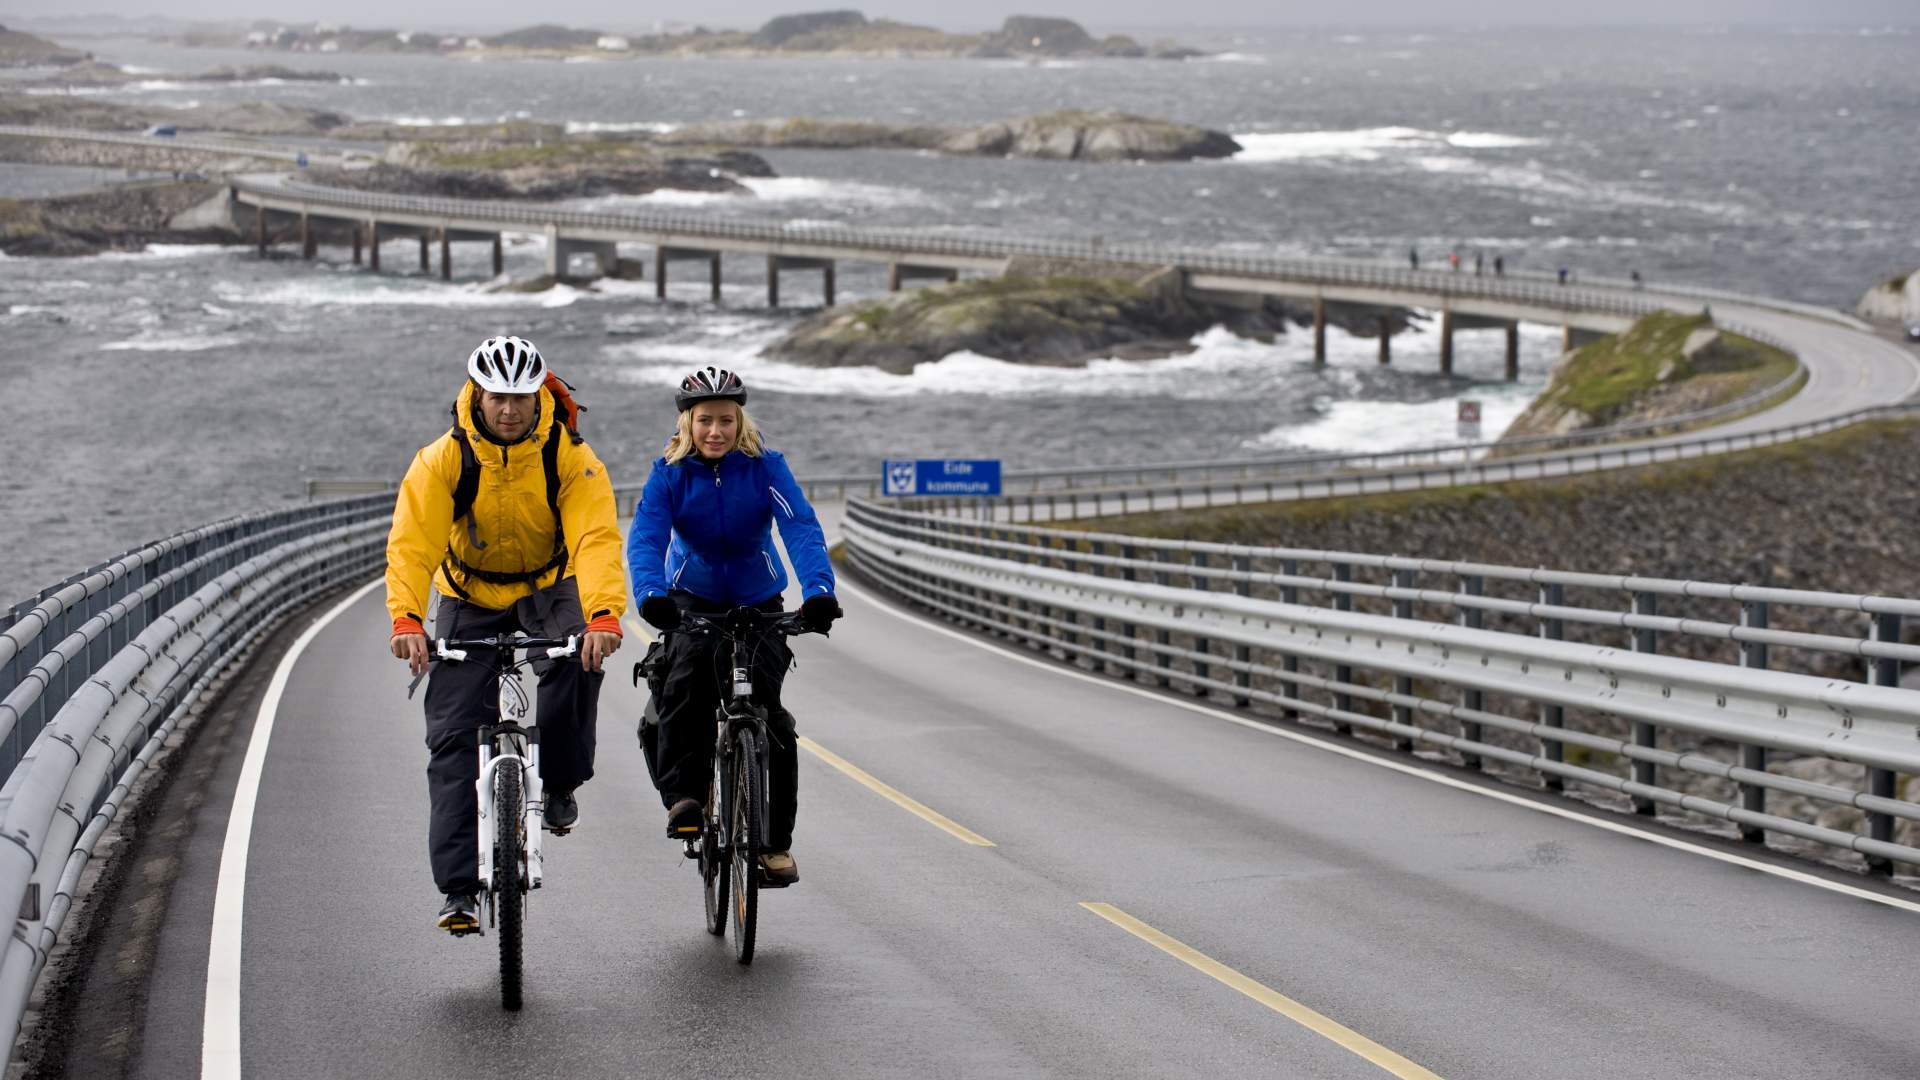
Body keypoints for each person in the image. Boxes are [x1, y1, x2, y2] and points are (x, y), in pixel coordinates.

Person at [386, 335, 626, 933]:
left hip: (550, 586)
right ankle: (460, 892)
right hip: (469, 594)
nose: (510, 410)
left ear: (537, 395)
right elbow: (413, 545)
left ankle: (563, 782)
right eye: (498, 398)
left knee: (577, 663)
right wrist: (408, 618)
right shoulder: (442, 459)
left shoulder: (570, 456)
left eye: (520, 397)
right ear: (478, 396)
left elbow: (595, 538)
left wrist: (602, 615)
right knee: (451, 739)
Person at [628, 366, 841, 887]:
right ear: (688, 423)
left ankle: (773, 847)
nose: (716, 431)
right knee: (684, 683)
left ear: (740, 421)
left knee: (773, 722)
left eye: (726, 420)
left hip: (757, 599)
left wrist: (818, 592)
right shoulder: (668, 473)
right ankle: (687, 799)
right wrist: (651, 595)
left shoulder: (767, 467)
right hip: (690, 598)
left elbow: (800, 526)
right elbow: (647, 537)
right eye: (705, 421)